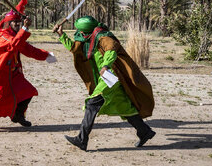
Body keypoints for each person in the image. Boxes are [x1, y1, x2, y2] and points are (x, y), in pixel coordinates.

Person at [53, 16, 155, 151]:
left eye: (80, 31)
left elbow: (111, 50)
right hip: (104, 78)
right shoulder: (87, 38)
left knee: (92, 103)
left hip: (111, 76)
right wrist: (61, 34)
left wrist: (106, 65)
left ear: (86, 31)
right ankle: (144, 131)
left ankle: (82, 139)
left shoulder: (103, 36)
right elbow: (74, 48)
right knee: (125, 107)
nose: (79, 34)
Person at [0, 0, 56, 135]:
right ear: (9, 23)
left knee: (28, 91)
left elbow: (28, 49)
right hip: (0, 74)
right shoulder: (3, 35)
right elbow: (14, 44)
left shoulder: (15, 35)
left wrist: (46, 55)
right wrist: (24, 28)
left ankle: (18, 115)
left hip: (13, 73)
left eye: (19, 22)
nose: (18, 24)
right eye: (15, 22)